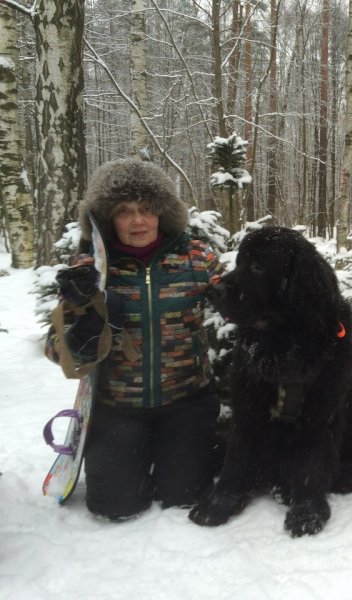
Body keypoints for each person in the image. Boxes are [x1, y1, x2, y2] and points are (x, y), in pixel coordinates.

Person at [46, 158, 224, 521]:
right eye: (125, 211)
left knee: (185, 497)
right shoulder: (90, 270)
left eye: (146, 209)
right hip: (116, 407)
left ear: (163, 213)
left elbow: (242, 305)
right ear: (108, 218)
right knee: (114, 507)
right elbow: (56, 347)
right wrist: (82, 324)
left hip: (187, 401)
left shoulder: (197, 257)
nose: (138, 221)